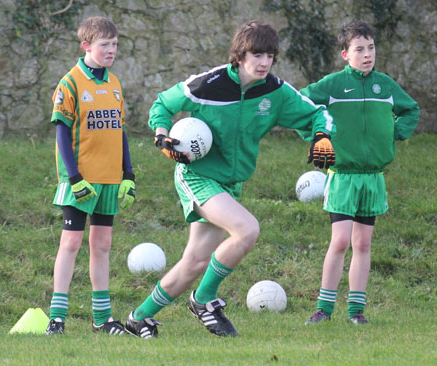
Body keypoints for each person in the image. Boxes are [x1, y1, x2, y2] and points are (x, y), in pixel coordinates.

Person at [124, 19, 335, 339]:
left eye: (270, 56)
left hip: (229, 184)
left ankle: (140, 318)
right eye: (257, 55)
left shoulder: (276, 92)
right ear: (240, 55)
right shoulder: (209, 84)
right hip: (196, 175)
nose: (264, 63)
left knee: (195, 261)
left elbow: (315, 112)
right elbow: (163, 104)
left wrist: (321, 135)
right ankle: (204, 300)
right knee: (247, 229)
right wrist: (163, 135)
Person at [301, 21, 419, 325]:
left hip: (373, 177)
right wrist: (317, 136)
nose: (367, 54)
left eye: (371, 48)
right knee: (340, 241)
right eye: (359, 49)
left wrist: (393, 133)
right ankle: (323, 310)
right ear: (345, 54)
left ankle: (356, 312)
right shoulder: (333, 84)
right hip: (343, 176)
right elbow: (299, 105)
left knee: (363, 244)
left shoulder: (386, 85)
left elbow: (411, 110)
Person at [45, 16, 136, 335]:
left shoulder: (114, 83)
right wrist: (73, 178)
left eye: (114, 44)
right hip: (80, 181)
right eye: (104, 45)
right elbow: (61, 133)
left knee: (102, 244)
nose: (111, 50)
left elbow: (120, 130)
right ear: (86, 46)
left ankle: (102, 320)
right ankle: (56, 318)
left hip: (109, 179)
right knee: (70, 242)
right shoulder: (70, 83)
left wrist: (129, 174)